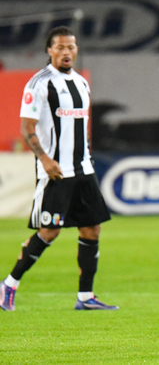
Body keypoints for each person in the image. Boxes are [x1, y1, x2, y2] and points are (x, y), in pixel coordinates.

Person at [0, 26, 118, 311]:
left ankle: (85, 297)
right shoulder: (39, 84)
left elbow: (81, 125)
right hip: (56, 171)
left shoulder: (81, 82)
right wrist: (44, 159)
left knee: (92, 229)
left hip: (83, 169)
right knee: (49, 231)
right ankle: (8, 285)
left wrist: (87, 151)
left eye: (71, 47)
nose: (67, 52)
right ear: (49, 50)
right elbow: (27, 128)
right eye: (61, 47)